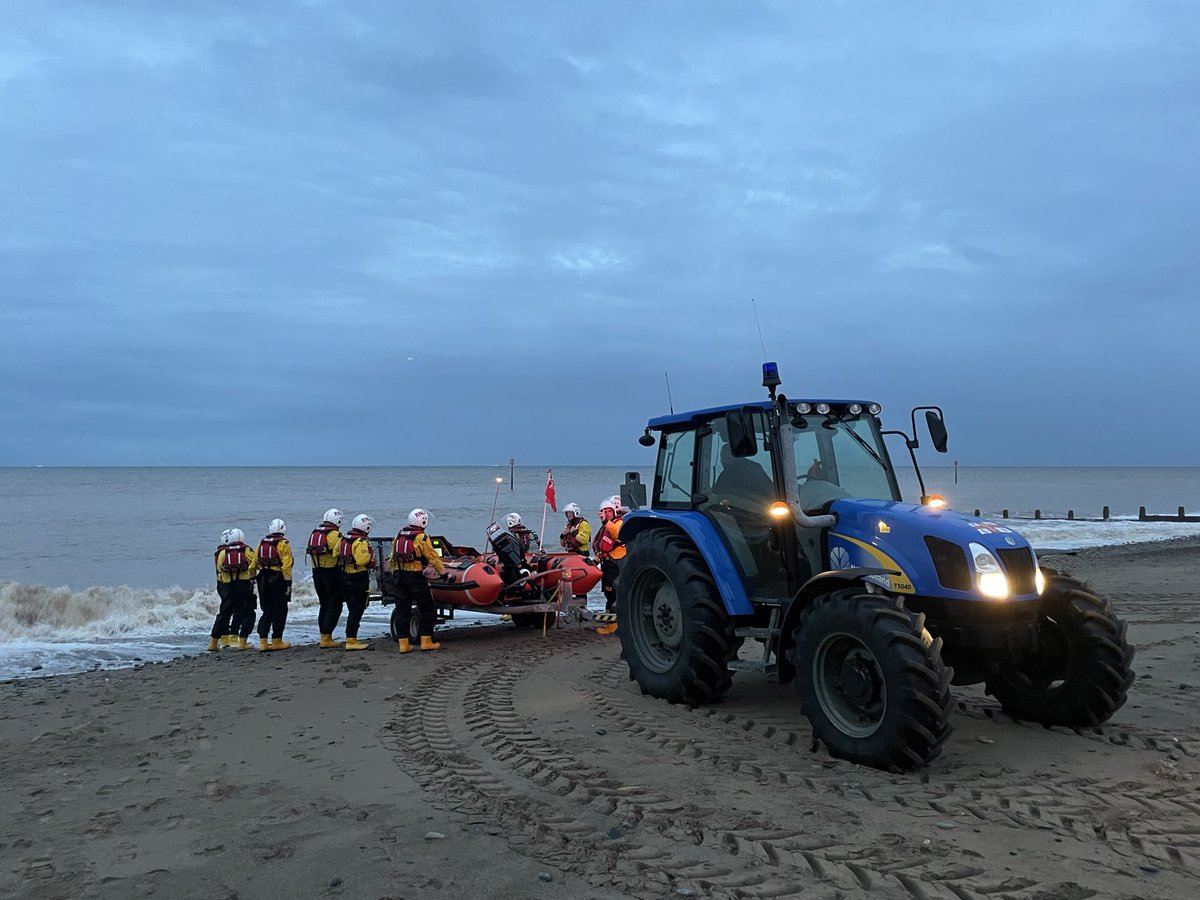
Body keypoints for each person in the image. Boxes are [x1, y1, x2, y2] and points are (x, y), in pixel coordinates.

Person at [390, 508, 448, 653]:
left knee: (402, 610)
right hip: (414, 577)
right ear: (423, 521)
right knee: (427, 608)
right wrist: (443, 573)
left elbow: (392, 557)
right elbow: (432, 557)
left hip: (399, 576)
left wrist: (394, 574)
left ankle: (403, 644)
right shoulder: (421, 538)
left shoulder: (399, 535)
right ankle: (426, 641)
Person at [209, 528, 257, 651]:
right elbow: (255, 564)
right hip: (244, 585)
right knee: (248, 613)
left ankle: (213, 643)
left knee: (224, 614)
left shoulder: (222, 553)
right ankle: (242, 642)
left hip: (227, 586)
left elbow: (219, 569)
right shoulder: (247, 550)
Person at [337, 514, 376, 651]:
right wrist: (371, 559)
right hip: (357, 578)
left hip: (344, 576)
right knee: (357, 609)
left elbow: (336, 552)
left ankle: (350, 638)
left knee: (352, 608)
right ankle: (351, 639)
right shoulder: (360, 541)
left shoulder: (344, 538)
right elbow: (362, 560)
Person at [307, 508, 343, 649]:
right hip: (331, 573)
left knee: (324, 604)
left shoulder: (315, 533)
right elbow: (342, 552)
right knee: (335, 604)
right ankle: (326, 637)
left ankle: (324, 635)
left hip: (316, 572)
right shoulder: (335, 535)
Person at [255, 518, 293, 651]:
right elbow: (286, 565)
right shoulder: (283, 544)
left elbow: (254, 562)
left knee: (267, 610)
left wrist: (252, 578)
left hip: (262, 577)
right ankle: (277, 640)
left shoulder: (262, 542)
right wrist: (288, 583)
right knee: (280, 609)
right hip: (277, 578)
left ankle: (263, 642)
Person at [594, 498, 625, 635]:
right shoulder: (606, 526)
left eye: (608, 511)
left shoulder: (619, 523)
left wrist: (606, 522)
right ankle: (610, 621)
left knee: (613, 592)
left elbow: (618, 534)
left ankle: (615, 623)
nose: (606, 514)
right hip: (607, 563)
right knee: (608, 592)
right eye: (604, 512)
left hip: (616, 563)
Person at [210, 529, 235, 649]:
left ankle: (224, 638)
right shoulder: (226, 553)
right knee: (226, 612)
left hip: (221, 584)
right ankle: (215, 639)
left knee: (226, 611)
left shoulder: (219, 552)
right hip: (228, 585)